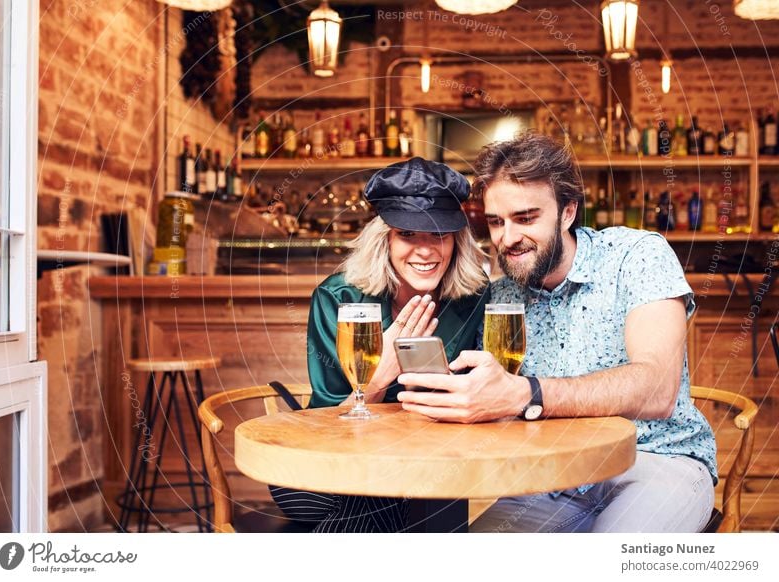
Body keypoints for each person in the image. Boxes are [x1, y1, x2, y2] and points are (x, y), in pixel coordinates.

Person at [396, 133, 717, 533]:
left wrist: (525, 394)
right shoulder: (503, 295)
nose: (508, 238)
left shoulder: (636, 256)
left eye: (526, 218)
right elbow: (490, 401)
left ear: (567, 212)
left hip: (656, 462)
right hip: (551, 478)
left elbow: (656, 391)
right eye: (496, 222)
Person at [270, 157, 490, 532]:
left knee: (393, 505)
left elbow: (483, 405)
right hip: (342, 459)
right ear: (384, 238)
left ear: (457, 239)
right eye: (407, 234)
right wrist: (379, 375)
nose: (425, 250)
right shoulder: (339, 299)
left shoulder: (475, 301)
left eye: (438, 234)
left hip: (435, 465)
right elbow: (325, 428)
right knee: (321, 492)